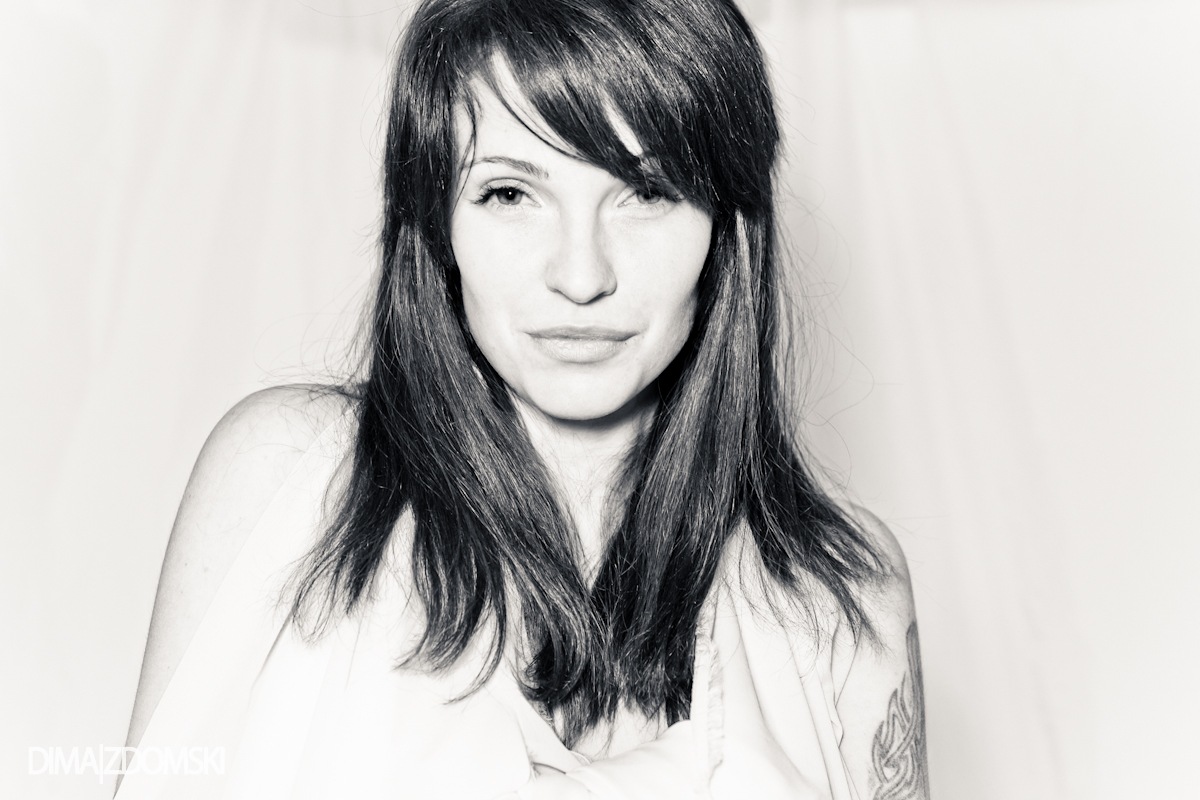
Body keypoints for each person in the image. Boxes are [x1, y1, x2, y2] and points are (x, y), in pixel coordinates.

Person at [118, 0, 928, 797]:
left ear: (726, 224)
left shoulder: (845, 593)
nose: (581, 275)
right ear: (436, 220)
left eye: (646, 191)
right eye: (509, 193)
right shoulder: (292, 483)